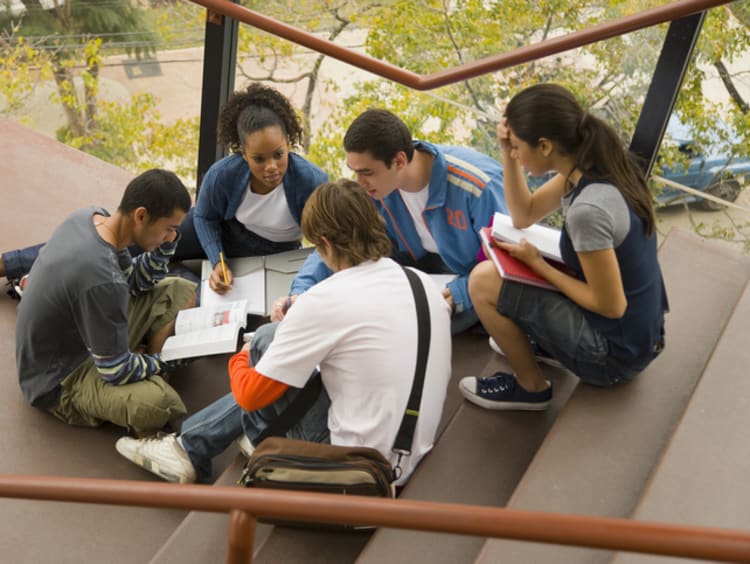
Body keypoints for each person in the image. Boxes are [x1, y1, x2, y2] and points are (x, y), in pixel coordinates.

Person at [115, 179, 452, 485]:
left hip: (351, 468)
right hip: (408, 454)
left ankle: (208, 446)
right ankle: (189, 446)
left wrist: (247, 351)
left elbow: (249, 395)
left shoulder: (327, 299)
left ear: (324, 244)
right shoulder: (419, 282)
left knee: (266, 341)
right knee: (296, 360)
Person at [1, 83, 328, 297]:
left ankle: (47, 286)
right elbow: (207, 218)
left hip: (270, 255)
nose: (271, 166)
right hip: (217, 233)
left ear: (289, 144)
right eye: (259, 158)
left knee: (190, 293)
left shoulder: (311, 182)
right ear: (241, 152)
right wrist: (217, 260)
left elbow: (325, 240)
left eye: (278, 154)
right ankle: (11, 264)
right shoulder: (223, 176)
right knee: (121, 244)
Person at [460, 83, 668, 411]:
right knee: (515, 266)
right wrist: (506, 155)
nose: (514, 153)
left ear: (544, 146)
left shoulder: (589, 211)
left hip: (614, 357)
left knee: (483, 280)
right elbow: (524, 214)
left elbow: (611, 305)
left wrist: (537, 264)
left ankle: (531, 389)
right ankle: (547, 342)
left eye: (516, 147)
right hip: (641, 334)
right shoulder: (597, 165)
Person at [270, 108, 507, 335]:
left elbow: (507, 264)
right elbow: (334, 239)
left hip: (470, 286)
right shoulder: (378, 189)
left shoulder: (478, 187)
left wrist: (461, 293)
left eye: (367, 172)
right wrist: (301, 294)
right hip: (416, 282)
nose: (359, 182)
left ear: (400, 161)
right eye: (354, 171)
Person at [16, 169, 198, 433]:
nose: (172, 236)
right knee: (164, 404)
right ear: (141, 216)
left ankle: (142, 366)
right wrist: (165, 361)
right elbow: (115, 371)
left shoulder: (91, 218)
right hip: (58, 378)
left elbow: (136, 281)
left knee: (179, 289)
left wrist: (167, 245)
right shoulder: (103, 280)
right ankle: (148, 377)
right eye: (169, 229)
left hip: (82, 337)